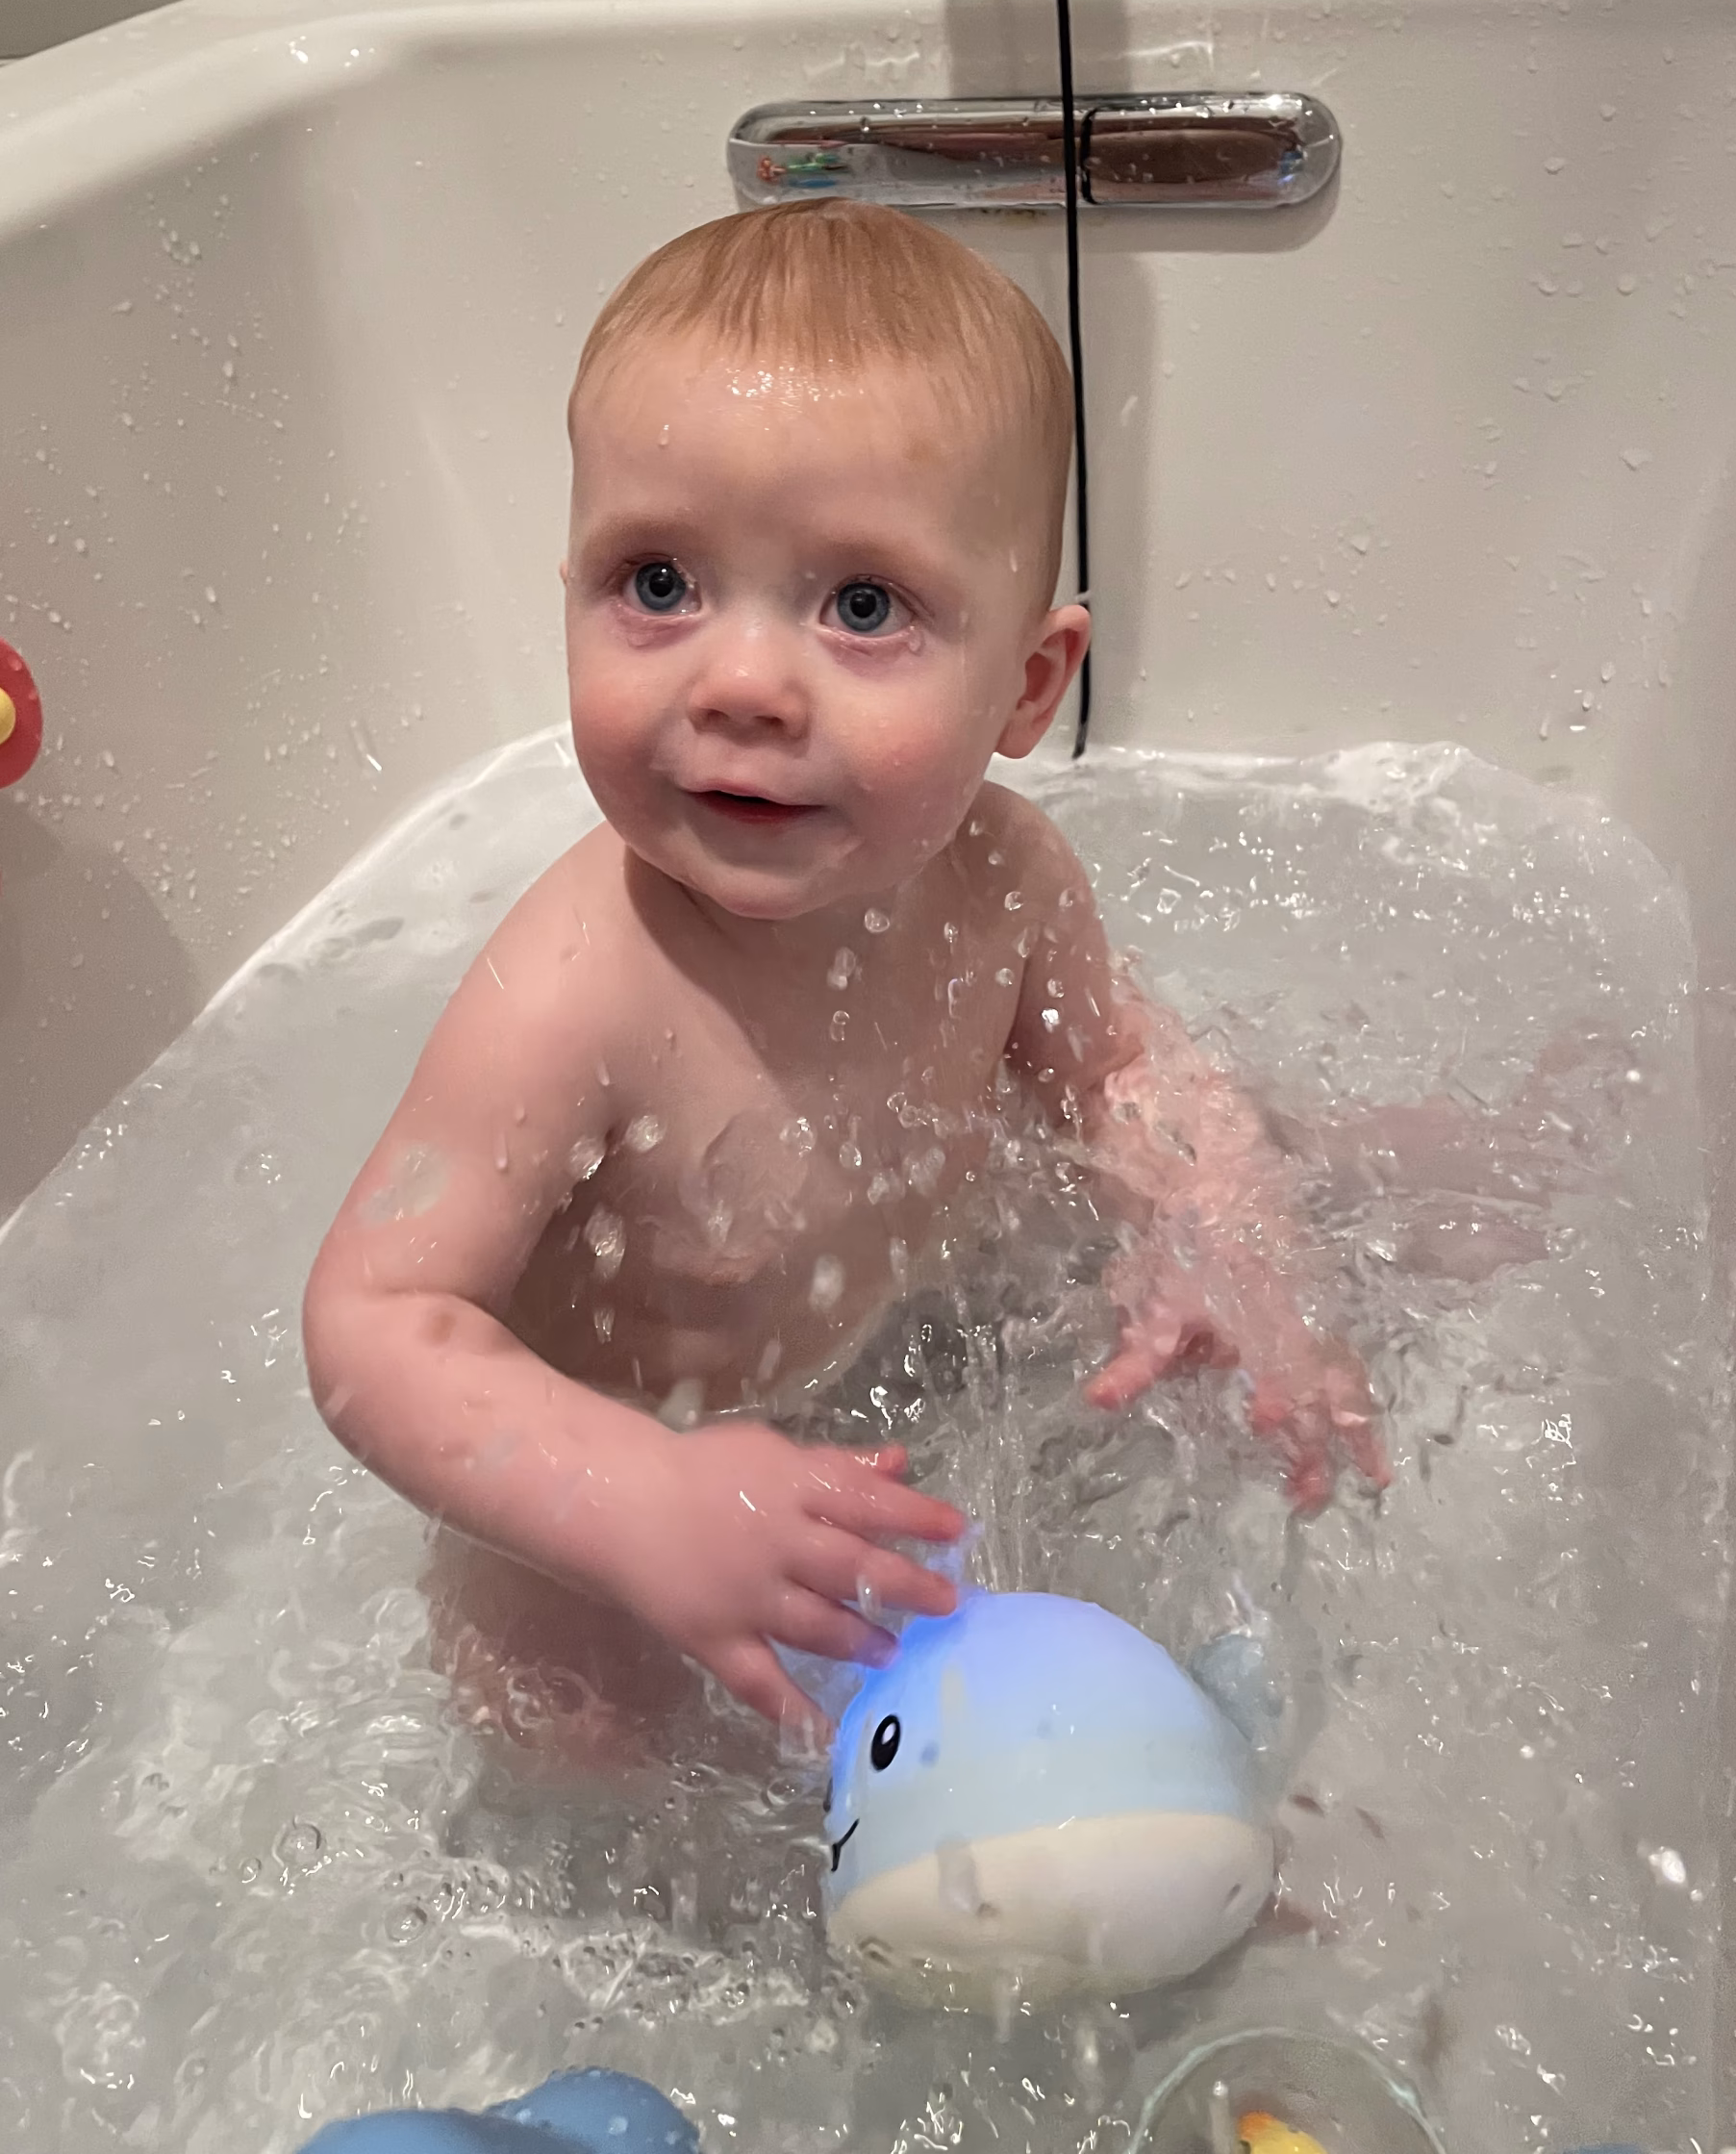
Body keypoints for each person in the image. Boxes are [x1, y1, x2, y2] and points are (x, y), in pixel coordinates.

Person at [302, 199, 1384, 1761]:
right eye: (657, 583)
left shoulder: (1006, 880)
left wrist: (1227, 1236)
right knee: (581, 1738)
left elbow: (1121, 1072)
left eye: (861, 606)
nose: (741, 683)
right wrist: (640, 1503)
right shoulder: (578, 988)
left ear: (1027, 686)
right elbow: (375, 1320)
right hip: (597, 1500)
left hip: (875, 1388)